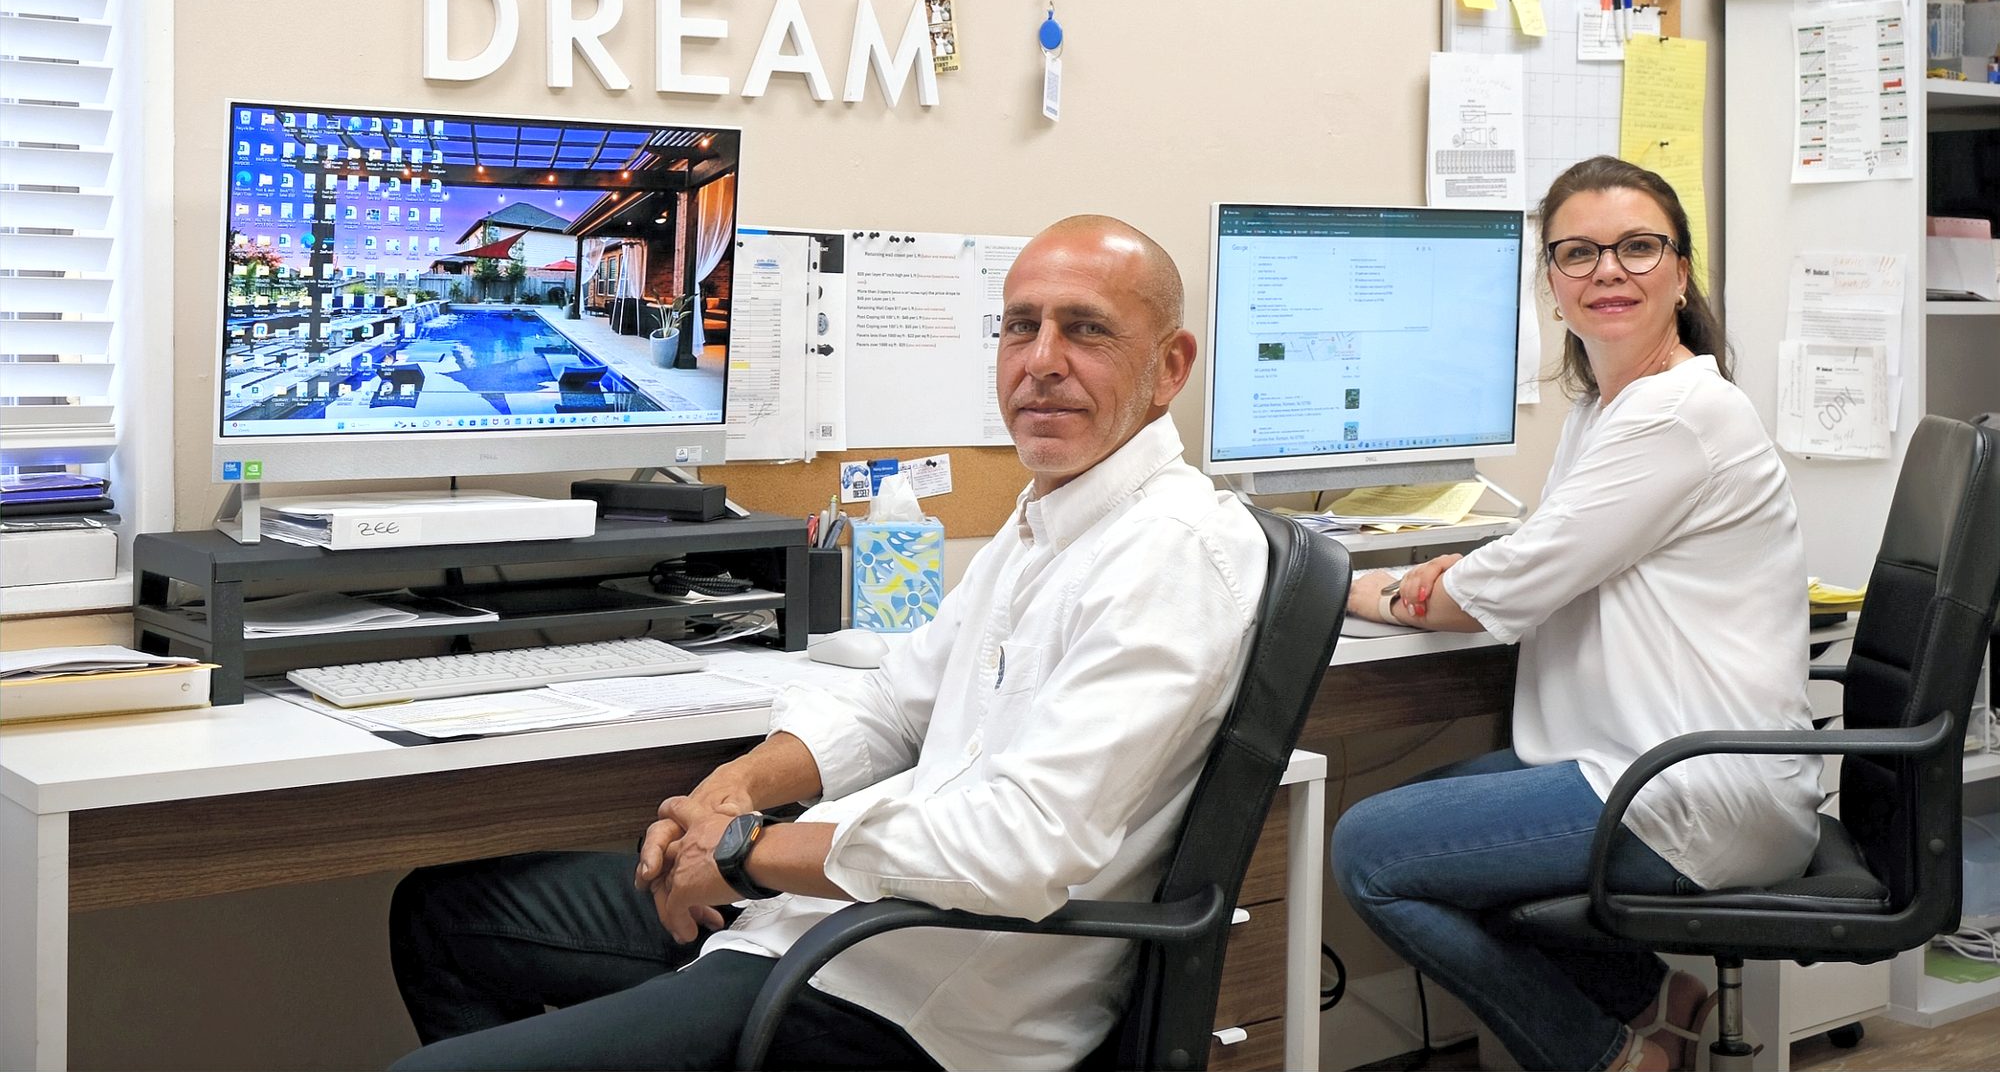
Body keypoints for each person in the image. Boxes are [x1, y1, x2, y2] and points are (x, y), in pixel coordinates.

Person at [388, 215, 1268, 1071]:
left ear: (1169, 366)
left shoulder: (1170, 554)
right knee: (441, 914)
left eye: (1087, 332)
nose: (1041, 362)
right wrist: (727, 794)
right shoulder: (1053, 516)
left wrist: (742, 855)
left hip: (915, 1001)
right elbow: (892, 703)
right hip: (819, 927)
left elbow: (1018, 847)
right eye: (1020, 328)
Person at [1330, 156, 1820, 1072]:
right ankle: (1651, 997)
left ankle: (1606, 1055)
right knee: (1412, 814)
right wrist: (1468, 571)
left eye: (1638, 247)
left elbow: (1502, 594)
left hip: (1688, 788)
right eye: (1579, 253)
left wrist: (1348, 584)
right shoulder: (1610, 409)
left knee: (1370, 851)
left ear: (1679, 271)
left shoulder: (1675, 416)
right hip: (1635, 761)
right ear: (1549, 283)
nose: (1608, 271)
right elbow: (1542, 558)